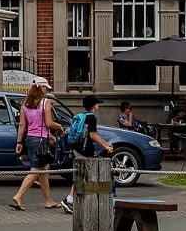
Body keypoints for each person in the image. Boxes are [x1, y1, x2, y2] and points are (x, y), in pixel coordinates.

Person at [9, 79, 64, 212]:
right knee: (37, 170)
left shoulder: (25, 104)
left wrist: (19, 142)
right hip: (40, 140)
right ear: (41, 88)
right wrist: (59, 126)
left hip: (30, 139)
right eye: (46, 88)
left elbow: (22, 125)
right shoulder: (46, 102)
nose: (47, 90)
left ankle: (49, 200)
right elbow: (49, 123)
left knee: (45, 168)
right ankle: (19, 195)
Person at [62, 95, 117, 213]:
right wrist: (105, 146)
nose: (99, 105)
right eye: (97, 103)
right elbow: (92, 135)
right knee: (84, 174)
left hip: (77, 147)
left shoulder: (83, 116)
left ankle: (73, 199)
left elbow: (95, 135)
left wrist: (106, 143)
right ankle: (69, 200)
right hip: (84, 149)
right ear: (94, 106)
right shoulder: (92, 117)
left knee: (83, 174)